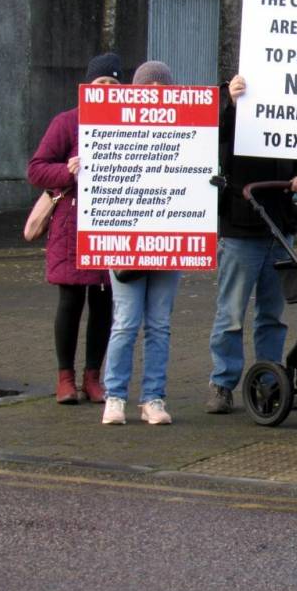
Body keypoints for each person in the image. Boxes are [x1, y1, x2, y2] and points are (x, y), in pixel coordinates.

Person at [205, 74, 297, 414]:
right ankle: (223, 383)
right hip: (241, 225)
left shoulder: (291, 97)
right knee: (231, 313)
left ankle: (269, 380)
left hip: (280, 223)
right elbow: (209, 141)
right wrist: (232, 105)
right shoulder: (228, 98)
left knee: (272, 312)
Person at [27, 53, 120, 405]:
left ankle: (93, 376)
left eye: (114, 84)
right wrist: (69, 172)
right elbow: (36, 170)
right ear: (87, 88)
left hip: (112, 225)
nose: (107, 90)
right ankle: (65, 377)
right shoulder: (67, 123)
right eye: (101, 84)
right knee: (70, 302)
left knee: (104, 303)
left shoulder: (129, 125)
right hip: (72, 227)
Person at [101, 61, 182, 425]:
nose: (155, 94)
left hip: (169, 241)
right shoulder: (112, 124)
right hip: (126, 241)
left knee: (160, 324)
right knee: (126, 322)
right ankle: (114, 396)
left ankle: (153, 398)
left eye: (161, 88)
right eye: (148, 88)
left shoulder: (184, 127)